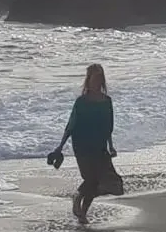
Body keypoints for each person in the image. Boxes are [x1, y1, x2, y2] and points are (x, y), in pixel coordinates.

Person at [47, 63, 122, 223]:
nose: (96, 82)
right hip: (82, 145)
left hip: (99, 144)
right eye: (94, 79)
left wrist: (111, 146)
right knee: (91, 179)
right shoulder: (81, 102)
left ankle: (82, 207)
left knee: (110, 183)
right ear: (88, 80)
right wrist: (60, 147)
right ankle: (80, 205)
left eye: (99, 79)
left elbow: (109, 125)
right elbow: (71, 125)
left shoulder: (107, 101)